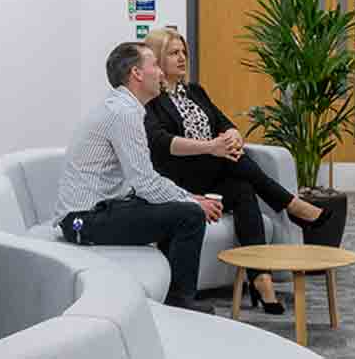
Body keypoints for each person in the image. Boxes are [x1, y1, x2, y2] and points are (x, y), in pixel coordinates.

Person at [142, 27, 332, 315]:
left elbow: (223, 121)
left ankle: (261, 279)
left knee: (243, 189)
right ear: (157, 58)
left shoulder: (195, 91)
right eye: (173, 53)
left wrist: (233, 136)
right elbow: (161, 144)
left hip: (213, 172)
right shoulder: (152, 100)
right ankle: (292, 204)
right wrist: (212, 147)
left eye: (184, 52)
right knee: (233, 160)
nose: (182, 58)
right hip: (180, 178)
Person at [53, 42, 221, 314]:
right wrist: (193, 202)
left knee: (179, 209)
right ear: (137, 74)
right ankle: (180, 303)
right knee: (189, 216)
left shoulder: (123, 107)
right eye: (154, 65)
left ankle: (171, 298)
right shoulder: (124, 113)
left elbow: (143, 181)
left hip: (96, 211)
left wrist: (189, 198)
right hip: (83, 220)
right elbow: (144, 181)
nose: (161, 73)